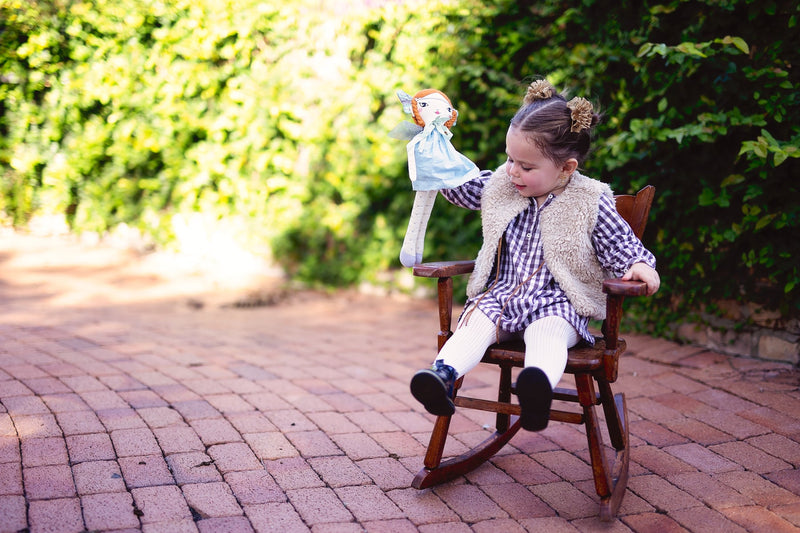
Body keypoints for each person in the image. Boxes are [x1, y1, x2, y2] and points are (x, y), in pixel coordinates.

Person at [409, 78, 660, 431]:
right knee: (474, 323)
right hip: (503, 295)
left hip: (559, 302)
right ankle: (442, 377)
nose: (513, 171)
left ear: (566, 168)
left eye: (526, 167)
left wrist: (639, 266)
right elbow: (463, 187)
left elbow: (620, 245)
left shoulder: (590, 199)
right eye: (510, 159)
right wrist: (433, 152)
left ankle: (536, 389)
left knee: (549, 332)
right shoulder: (502, 184)